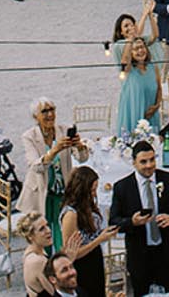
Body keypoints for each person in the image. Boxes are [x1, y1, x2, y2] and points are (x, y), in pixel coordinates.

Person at [110, 138, 169, 295]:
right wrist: (132, 222)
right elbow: (113, 221)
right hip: (140, 255)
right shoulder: (122, 187)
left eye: (152, 160)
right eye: (143, 161)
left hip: (167, 251)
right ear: (134, 162)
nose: (149, 165)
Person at [22, 97, 87, 237]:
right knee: (41, 233)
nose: (50, 114)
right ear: (35, 116)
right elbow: (36, 167)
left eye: (52, 109)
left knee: (62, 233)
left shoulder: (64, 130)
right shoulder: (29, 137)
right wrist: (54, 151)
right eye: (44, 111)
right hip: (40, 192)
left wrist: (79, 146)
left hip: (62, 191)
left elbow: (83, 159)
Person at [57, 165, 120, 297]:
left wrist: (104, 233)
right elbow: (72, 254)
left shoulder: (86, 205)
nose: (94, 194)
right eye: (91, 190)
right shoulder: (71, 215)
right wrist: (99, 240)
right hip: (82, 266)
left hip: (94, 259)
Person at [115, 35, 163, 130]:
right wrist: (130, 40)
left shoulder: (154, 67)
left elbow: (159, 88)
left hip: (151, 114)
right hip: (133, 114)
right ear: (131, 53)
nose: (140, 51)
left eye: (142, 47)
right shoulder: (128, 70)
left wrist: (156, 106)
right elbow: (124, 59)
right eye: (136, 49)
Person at [17, 213, 57, 294]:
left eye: (47, 225)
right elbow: (56, 292)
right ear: (30, 236)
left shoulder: (35, 250)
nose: (48, 230)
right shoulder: (38, 261)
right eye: (42, 229)